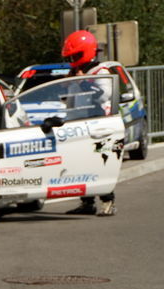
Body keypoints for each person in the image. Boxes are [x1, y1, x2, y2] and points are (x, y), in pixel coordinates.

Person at [61, 30, 116, 217]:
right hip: (78, 123)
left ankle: (108, 201)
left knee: (99, 164)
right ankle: (86, 202)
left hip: (98, 125)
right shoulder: (75, 72)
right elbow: (70, 99)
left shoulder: (101, 72)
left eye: (75, 55)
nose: (72, 60)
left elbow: (103, 95)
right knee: (80, 164)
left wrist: (83, 81)